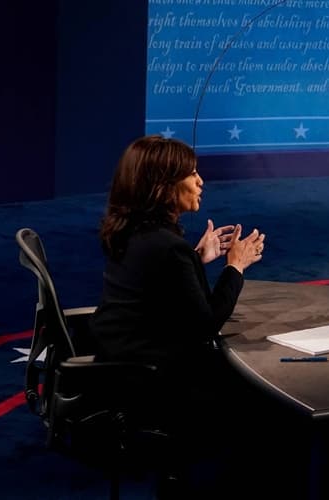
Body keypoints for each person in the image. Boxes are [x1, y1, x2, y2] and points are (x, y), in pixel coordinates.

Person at [88, 134, 267, 493]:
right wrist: (235, 266)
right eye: (192, 173)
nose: (201, 181)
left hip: (119, 361)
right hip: (152, 378)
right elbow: (205, 325)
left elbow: (156, 289)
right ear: (164, 186)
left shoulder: (131, 231)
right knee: (258, 397)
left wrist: (196, 260)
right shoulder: (168, 248)